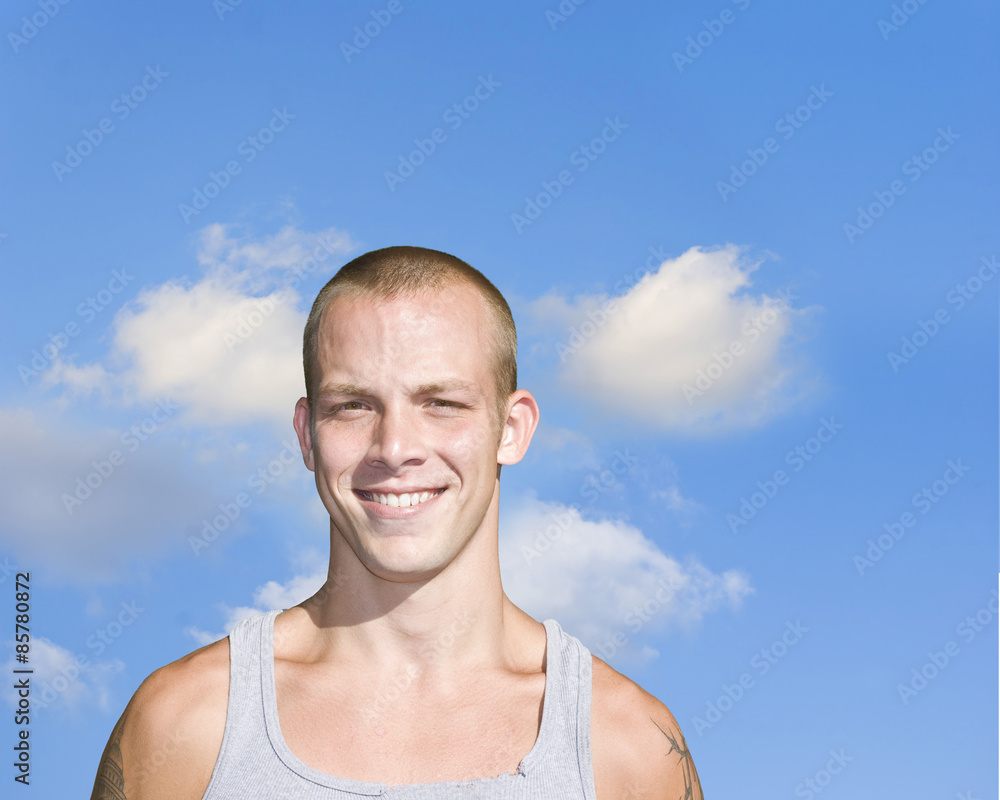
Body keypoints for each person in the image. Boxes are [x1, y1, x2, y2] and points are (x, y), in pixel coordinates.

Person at [90, 246, 703, 799]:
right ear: (307, 435)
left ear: (511, 430)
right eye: (353, 405)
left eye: (441, 403)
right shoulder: (186, 726)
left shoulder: (625, 749)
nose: (394, 446)